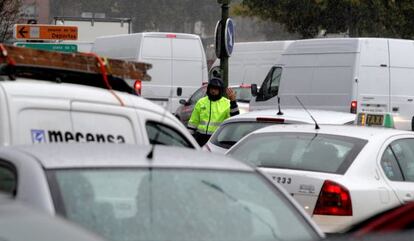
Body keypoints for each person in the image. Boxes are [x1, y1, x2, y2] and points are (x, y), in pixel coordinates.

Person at [188, 78, 239, 146]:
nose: (213, 91)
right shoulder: (201, 102)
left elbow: (235, 117)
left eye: (216, 89)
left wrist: (233, 102)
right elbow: (193, 122)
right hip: (200, 139)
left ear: (220, 90)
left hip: (217, 139)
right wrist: (189, 139)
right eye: (211, 88)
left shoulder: (226, 103)